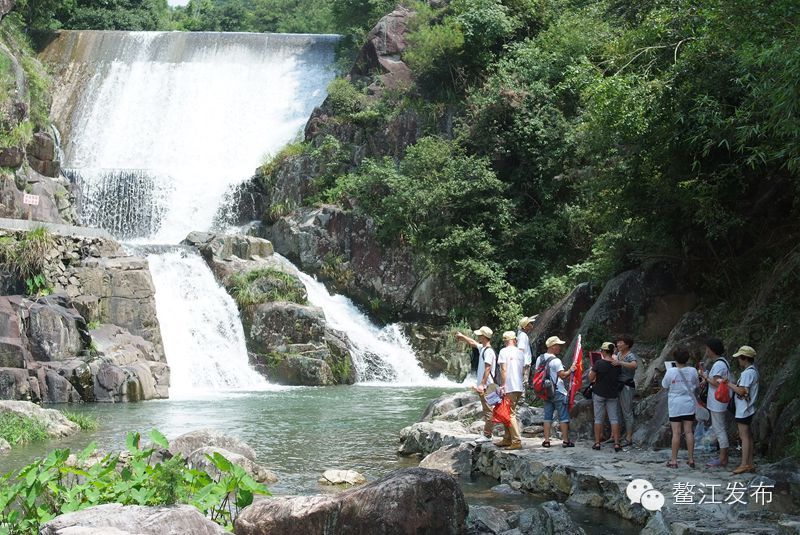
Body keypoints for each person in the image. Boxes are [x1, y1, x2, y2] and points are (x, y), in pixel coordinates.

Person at [455, 326, 497, 443]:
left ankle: (488, 435)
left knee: (488, 411)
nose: (477, 337)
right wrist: (462, 337)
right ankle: (489, 433)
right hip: (488, 385)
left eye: (479, 335)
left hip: (488, 386)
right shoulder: (483, 348)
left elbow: (488, 368)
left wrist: (482, 385)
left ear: (484, 337)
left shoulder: (488, 351)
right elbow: (473, 342)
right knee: (489, 410)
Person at [535, 336, 577, 448]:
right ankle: (565, 441)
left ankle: (547, 440)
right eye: (558, 345)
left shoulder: (540, 358)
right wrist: (571, 370)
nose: (560, 347)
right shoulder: (556, 360)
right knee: (563, 416)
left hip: (545, 392)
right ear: (553, 346)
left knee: (547, 417)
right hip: (557, 391)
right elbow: (562, 375)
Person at [661, 348, 699, 468]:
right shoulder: (693, 370)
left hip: (675, 404)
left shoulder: (671, 371)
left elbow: (664, 385)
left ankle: (674, 460)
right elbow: (697, 384)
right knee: (689, 431)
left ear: (675, 359)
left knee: (676, 433)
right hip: (689, 404)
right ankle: (691, 459)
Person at [726, 345, 759, 475]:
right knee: (748, 436)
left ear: (744, 358)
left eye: (740, 358)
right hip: (748, 408)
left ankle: (744, 464)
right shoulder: (753, 371)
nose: (738, 360)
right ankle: (749, 463)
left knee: (744, 436)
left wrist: (728, 384)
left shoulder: (747, 373)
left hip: (744, 408)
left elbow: (743, 391)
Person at [700, 338, 731, 467]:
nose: (706, 351)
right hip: (719, 401)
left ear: (712, 350)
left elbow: (715, 382)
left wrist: (705, 377)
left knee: (719, 429)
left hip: (717, 402)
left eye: (707, 349)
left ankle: (723, 458)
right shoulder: (723, 362)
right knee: (720, 428)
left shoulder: (718, 364)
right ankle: (723, 456)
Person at [589, 342, 622, 452]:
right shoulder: (617, 365)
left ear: (603, 352)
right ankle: (617, 443)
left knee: (598, 418)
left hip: (599, 393)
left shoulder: (598, 363)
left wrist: (591, 370)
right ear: (613, 352)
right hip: (612, 394)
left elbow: (591, 377)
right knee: (614, 418)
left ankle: (597, 443)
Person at [496, 331, 525, 450]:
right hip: (518, 386)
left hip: (509, 387)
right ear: (514, 340)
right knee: (506, 412)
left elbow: (503, 369)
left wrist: (503, 385)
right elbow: (522, 370)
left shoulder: (504, 351)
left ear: (505, 340)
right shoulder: (520, 352)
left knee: (509, 413)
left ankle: (516, 441)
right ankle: (507, 439)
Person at [612, 335, 639, 446]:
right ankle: (617, 437)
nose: (618, 344)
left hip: (627, 386)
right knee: (617, 412)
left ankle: (629, 437)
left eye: (620, 342)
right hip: (618, 385)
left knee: (627, 412)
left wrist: (620, 363)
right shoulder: (618, 354)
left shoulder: (630, 355)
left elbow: (634, 365)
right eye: (617, 342)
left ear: (627, 344)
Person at [517, 315, 537, 383]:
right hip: (524, 364)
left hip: (524, 364)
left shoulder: (521, 334)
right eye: (530, 324)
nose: (531, 326)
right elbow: (520, 350)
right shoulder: (523, 335)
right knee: (523, 383)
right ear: (525, 326)